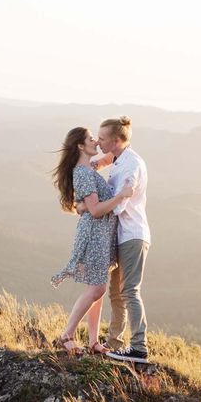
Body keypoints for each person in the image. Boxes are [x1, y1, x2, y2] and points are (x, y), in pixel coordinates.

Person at [50, 127, 133, 355]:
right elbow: (96, 210)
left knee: (98, 288)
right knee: (97, 289)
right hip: (95, 235)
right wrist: (121, 196)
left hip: (101, 235)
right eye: (90, 139)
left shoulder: (88, 169)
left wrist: (122, 141)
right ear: (80, 145)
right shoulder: (84, 173)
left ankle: (94, 342)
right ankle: (67, 334)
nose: (95, 142)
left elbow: (109, 158)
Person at [78, 116, 151, 364]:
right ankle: (114, 345)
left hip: (132, 235)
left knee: (130, 291)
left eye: (103, 138)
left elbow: (120, 203)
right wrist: (99, 162)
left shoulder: (131, 165)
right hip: (121, 237)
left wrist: (89, 207)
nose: (98, 141)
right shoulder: (120, 157)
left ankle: (139, 347)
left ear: (117, 140)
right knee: (116, 295)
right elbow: (113, 158)